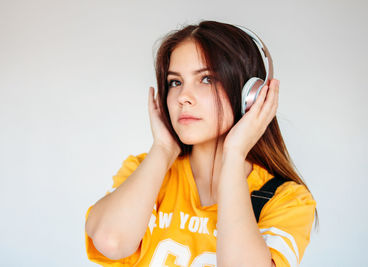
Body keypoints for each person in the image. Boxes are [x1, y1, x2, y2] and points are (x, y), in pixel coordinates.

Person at [84, 20, 317, 267]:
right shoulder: (144, 171)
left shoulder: (286, 199)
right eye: (175, 82)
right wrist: (163, 149)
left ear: (251, 95)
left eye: (207, 79)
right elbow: (110, 241)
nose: (183, 97)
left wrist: (235, 154)